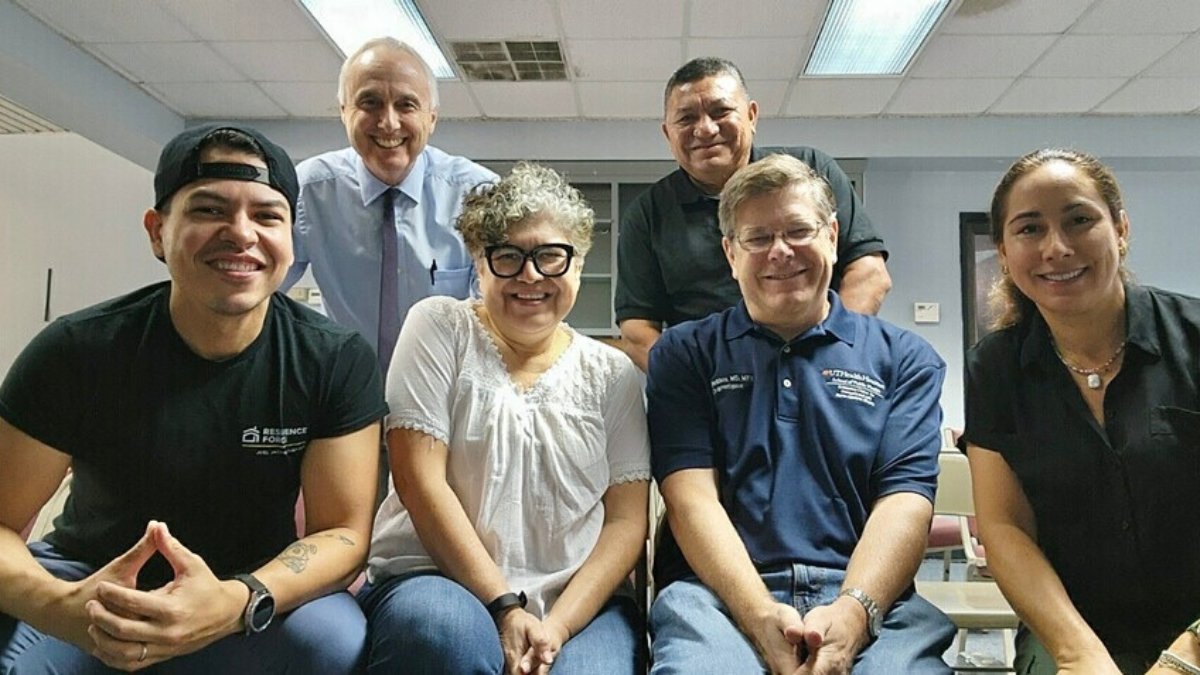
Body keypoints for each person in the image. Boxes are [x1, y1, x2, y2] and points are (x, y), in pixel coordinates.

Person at [0, 124, 386, 673]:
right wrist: (57, 608)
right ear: (157, 232)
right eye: (209, 210)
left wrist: (236, 601)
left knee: (333, 642)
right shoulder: (75, 350)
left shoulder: (333, 359)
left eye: (267, 216)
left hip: (250, 585)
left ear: (291, 238)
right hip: (90, 581)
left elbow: (343, 533)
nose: (241, 233)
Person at [646, 153, 954, 674]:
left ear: (833, 235)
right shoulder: (685, 354)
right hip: (718, 596)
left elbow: (904, 504)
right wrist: (759, 614)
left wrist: (855, 613)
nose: (780, 252)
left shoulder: (906, 360)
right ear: (730, 253)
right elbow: (691, 500)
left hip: (868, 594)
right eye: (758, 237)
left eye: (798, 230)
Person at [358, 163, 651, 674]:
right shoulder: (439, 326)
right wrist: (503, 605)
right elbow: (417, 479)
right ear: (479, 261)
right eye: (509, 256)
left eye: (551, 256)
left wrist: (555, 627)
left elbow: (627, 521)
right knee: (443, 639)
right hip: (438, 578)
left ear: (578, 264)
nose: (531, 275)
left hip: (576, 598)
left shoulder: (612, 373)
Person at [963, 148, 1200, 675]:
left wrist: (1189, 655)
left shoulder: (1194, 340)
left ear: (1120, 229)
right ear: (1003, 252)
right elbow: (1006, 529)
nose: (1057, 247)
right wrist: (1078, 654)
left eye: (1079, 220)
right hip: (1072, 628)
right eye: (1029, 229)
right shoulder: (995, 368)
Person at [615, 56, 892, 371]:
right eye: (686, 118)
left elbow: (869, 274)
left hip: (823, 370)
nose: (705, 129)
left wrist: (833, 363)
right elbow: (637, 330)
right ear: (668, 134)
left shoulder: (810, 172)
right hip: (711, 389)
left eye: (721, 111)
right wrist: (692, 388)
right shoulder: (648, 214)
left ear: (751, 116)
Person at [283, 37, 497, 376]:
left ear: (432, 118)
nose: (389, 123)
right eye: (370, 103)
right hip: (345, 388)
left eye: (407, 105)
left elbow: (495, 321)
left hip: (447, 390)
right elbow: (256, 291)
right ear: (344, 112)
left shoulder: (478, 195)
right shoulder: (308, 191)